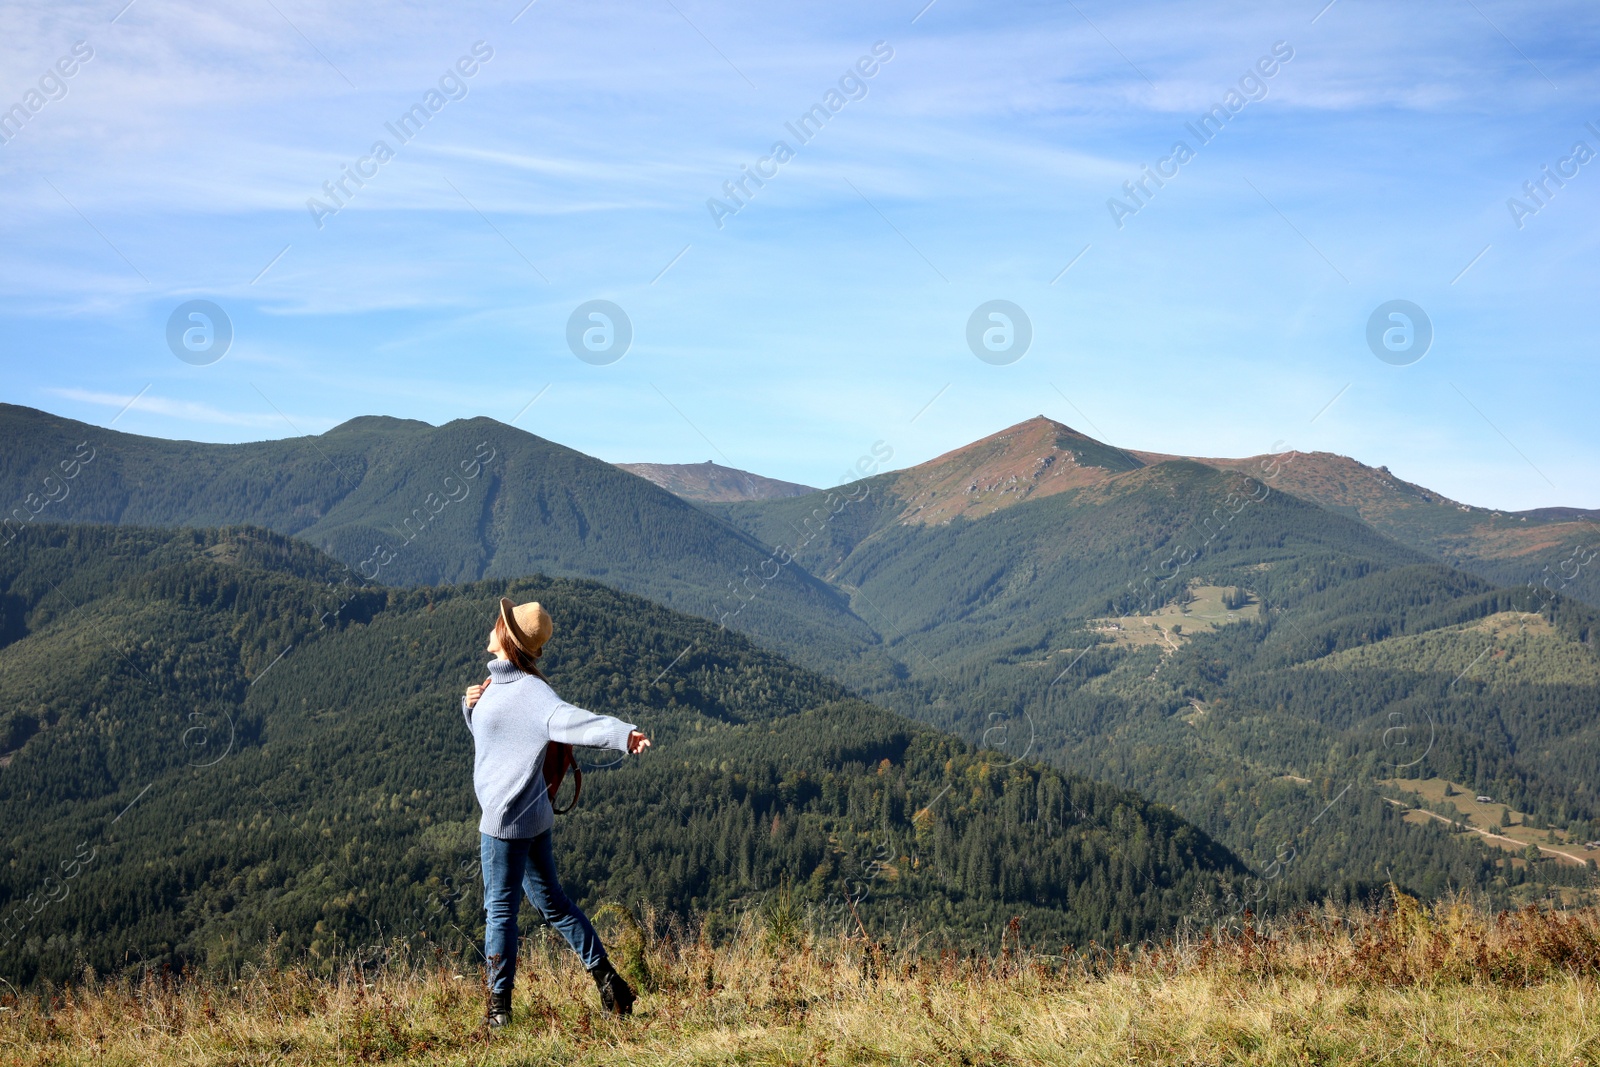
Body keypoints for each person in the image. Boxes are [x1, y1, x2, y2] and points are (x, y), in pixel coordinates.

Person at [461, 596, 651, 1027]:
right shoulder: (500, 686)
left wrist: (624, 735)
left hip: (505, 822)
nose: (491, 626)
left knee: (500, 911)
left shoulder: (532, 694)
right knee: (555, 906)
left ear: (506, 638)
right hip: (535, 817)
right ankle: (611, 984)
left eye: (497, 623)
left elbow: (579, 722)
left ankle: (498, 1012)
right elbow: (493, 740)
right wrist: (470, 706)